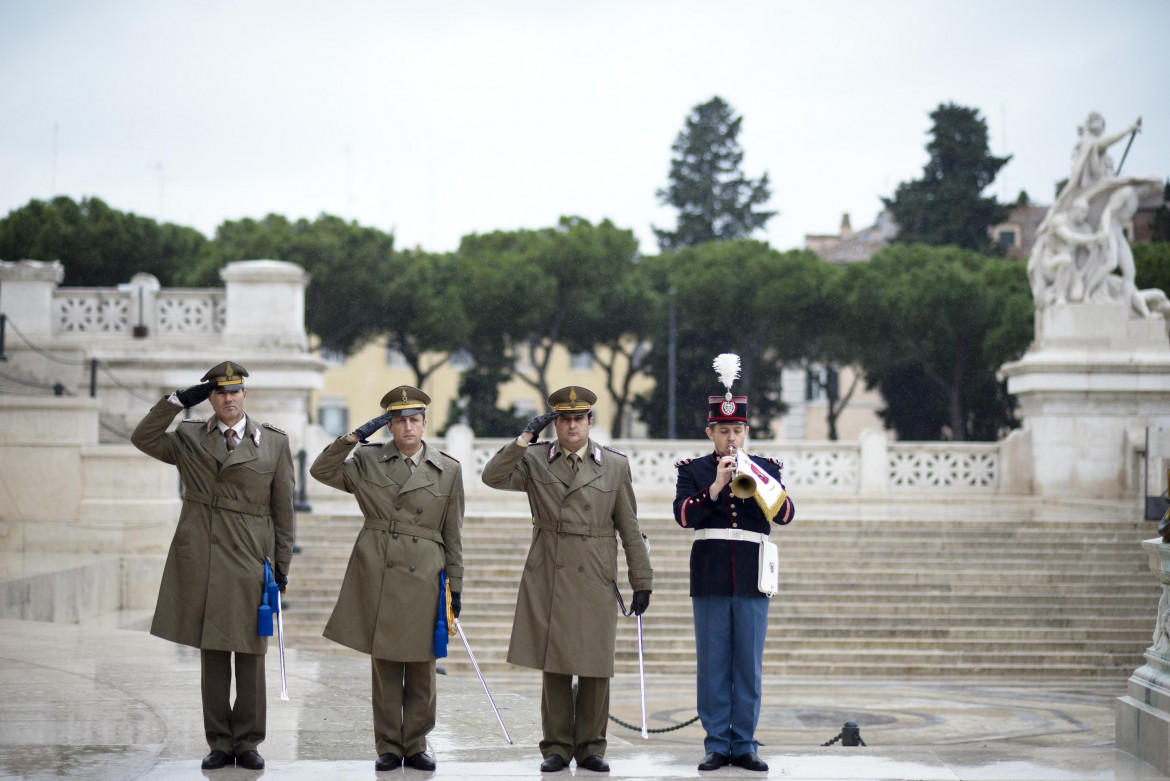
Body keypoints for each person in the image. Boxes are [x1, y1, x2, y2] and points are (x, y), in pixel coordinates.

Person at [131, 361, 295, 771]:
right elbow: (143, 438)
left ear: (245, 394)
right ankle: (220, 742)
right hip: (204, 554)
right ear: (210, 397)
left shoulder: (272, 442)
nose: (228, 398)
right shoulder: (188, 436)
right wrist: (175, 402)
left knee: (252, 653)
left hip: (251, 556)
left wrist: (282, 566)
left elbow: (283, 510)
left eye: (234, 391)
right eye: (218, 392)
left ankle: (250, 741)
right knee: (215, 655)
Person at [481, 386, 652, 773]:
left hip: (595, 569)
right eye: (563, 418)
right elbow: (492, 476)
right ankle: (556, 746)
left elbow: (629, 526)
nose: (572, 425)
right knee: (554, 663)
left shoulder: (614, 465)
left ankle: (592, 747)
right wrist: (525, 438)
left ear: (591, 422)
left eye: (579, 418)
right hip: (550, 568)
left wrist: (642, 579)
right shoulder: (536, 459)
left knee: (594, 664)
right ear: (554, 423)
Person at [309, 385, 464, 772]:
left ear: (425, 424)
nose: (407, 427)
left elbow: (454, 534)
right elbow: (320, 470)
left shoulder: (449, 469)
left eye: (414, 420)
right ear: (389, 426)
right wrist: (355, 436)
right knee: (386, 665)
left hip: (427, 570)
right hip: (381, 567)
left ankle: (416, 743)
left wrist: (456, 588)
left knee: (423, 667)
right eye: (399, 421)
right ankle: (388, 746)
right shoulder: (367, 460)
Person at [673, 388, 794, 773]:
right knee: (712, 665)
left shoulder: (766, 468)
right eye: (723, 430)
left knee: (748, 664)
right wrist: (714, 488)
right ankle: (715, 743)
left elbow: (786, 515)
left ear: (746, 432)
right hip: (709, 576)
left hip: (752, 576)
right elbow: (683, 517)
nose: (731, 438)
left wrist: (756, 479)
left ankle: (744, 743)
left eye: (737, 430)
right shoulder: (693, 470)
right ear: (710, 432)